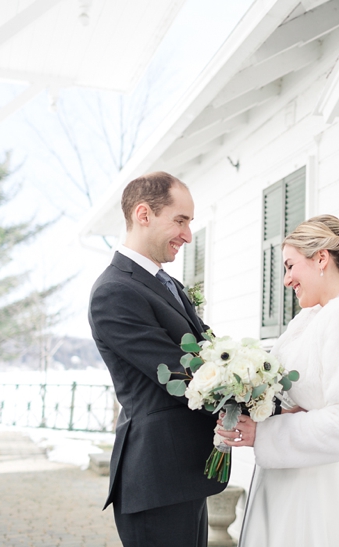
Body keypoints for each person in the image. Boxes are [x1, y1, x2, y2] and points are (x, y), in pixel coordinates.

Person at [219, 214, 339, 547]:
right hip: (281, 477)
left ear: (321, 258)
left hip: (310, 489)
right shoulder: (310, 318)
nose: (286, 280)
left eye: (290, 266)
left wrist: (265, 433)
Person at [88, 172, 224, 547]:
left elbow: (209, 353)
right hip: (156, 476)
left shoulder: (166, 283)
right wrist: (264, 402)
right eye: (180, 221)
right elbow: (181, 373)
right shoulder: (115, 291)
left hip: (182, 473)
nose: (187, 235)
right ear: (143, 214)